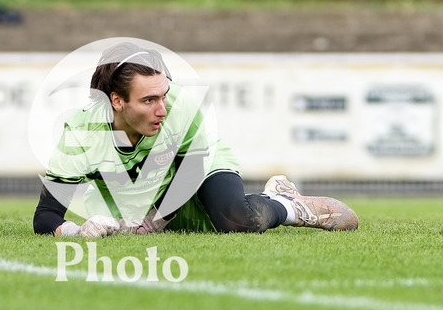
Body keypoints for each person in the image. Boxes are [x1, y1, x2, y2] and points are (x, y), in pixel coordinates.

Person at [32, 41, 359, 237]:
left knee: (236, 219)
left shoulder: (179, 106)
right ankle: (270, 195)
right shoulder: (81, 134)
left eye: (164, 94)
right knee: (192, 229)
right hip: (144, 197)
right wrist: (76, 231)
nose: (162, 109)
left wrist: (157, 217)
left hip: (197, 166)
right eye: (149, 100)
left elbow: (192, 168)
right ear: (117, 101)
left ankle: (287, 205)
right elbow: (46, 215)